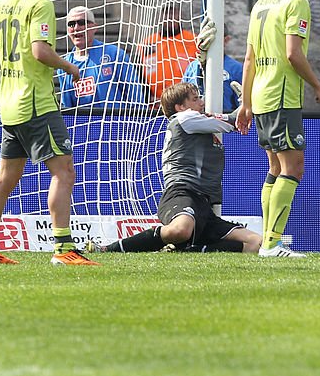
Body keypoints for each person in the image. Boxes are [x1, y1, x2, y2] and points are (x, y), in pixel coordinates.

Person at [0, 0, 95, 266]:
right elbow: (40, 51)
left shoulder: (5, 2)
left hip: (9, 103)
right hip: (36, 102)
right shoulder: (41, 3)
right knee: (64, 171)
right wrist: (69, 66)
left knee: (7, 177)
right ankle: (62, 248)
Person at [86, 83, 263, 255]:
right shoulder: (184, 118)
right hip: (182, 193)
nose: (201, 102)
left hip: (203, 204)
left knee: (256, 243)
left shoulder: (197, 122)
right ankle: (108, 249)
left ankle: (185, 250)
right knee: (180, 230)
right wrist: (247, 102)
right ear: (180, 107)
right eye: (195, 99)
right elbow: (234, 121)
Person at [237, 0, 320, 258]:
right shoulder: (297, 3)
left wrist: (246, 103)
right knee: (293, 167)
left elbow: (248, 58)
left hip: (261, 95)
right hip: (281, 94)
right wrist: (317, 84)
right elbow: (293, 53)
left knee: (275, 167)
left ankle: (269, 241)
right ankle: (272, 244)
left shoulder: (261, 3)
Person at [57, 6, 146, 109]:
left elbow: (135, 96)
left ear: (94, 27)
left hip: (115, 123)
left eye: (82, 22)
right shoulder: (64, 67)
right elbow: (67, 108)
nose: (76, 28)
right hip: (83, 124)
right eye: (71, 24)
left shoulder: (115, 55)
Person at [180, 19, 247, 113]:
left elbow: (243, 105)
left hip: (225, 122)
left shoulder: (237, 69)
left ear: (226, 40)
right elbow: (182, 98)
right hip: (194, 122)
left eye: (213, 39)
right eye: (205, 38)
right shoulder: (192, 67)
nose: (208, 43)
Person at [139, 3, 197, 104]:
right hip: (155, 103)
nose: (170, 17)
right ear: (160, 18)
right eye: (166, 14)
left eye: (173, 13)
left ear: (179, 16)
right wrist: (147, 96)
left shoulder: (193, 41)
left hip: (185, 101)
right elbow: (141, 74)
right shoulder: (148, 43)